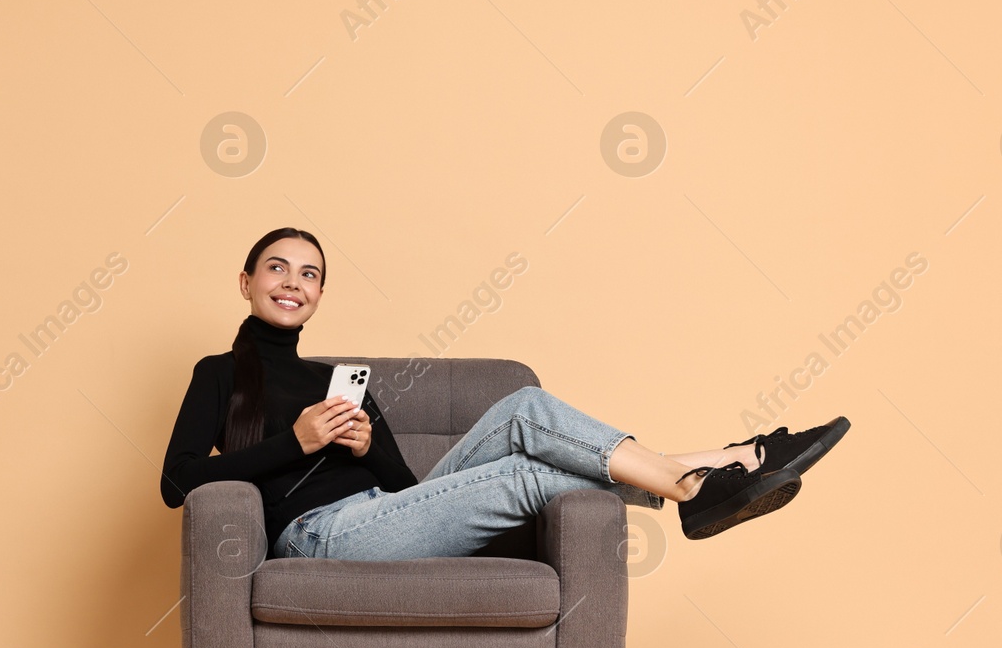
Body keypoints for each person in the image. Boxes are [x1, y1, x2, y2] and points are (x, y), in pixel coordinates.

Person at [160, 227, 848, 561]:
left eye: (309, 273)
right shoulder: (216, 373)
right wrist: (296, 442)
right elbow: (178, 480)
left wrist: (368, 448)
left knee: (523, 406)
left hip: (385, 512)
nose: (292, 281)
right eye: (277, 267)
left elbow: (402, 487)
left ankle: (710, 470)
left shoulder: (337, 384)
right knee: (529, 474)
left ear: (319, 294)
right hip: (318, 536)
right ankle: (717, 469)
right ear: (246, 280)